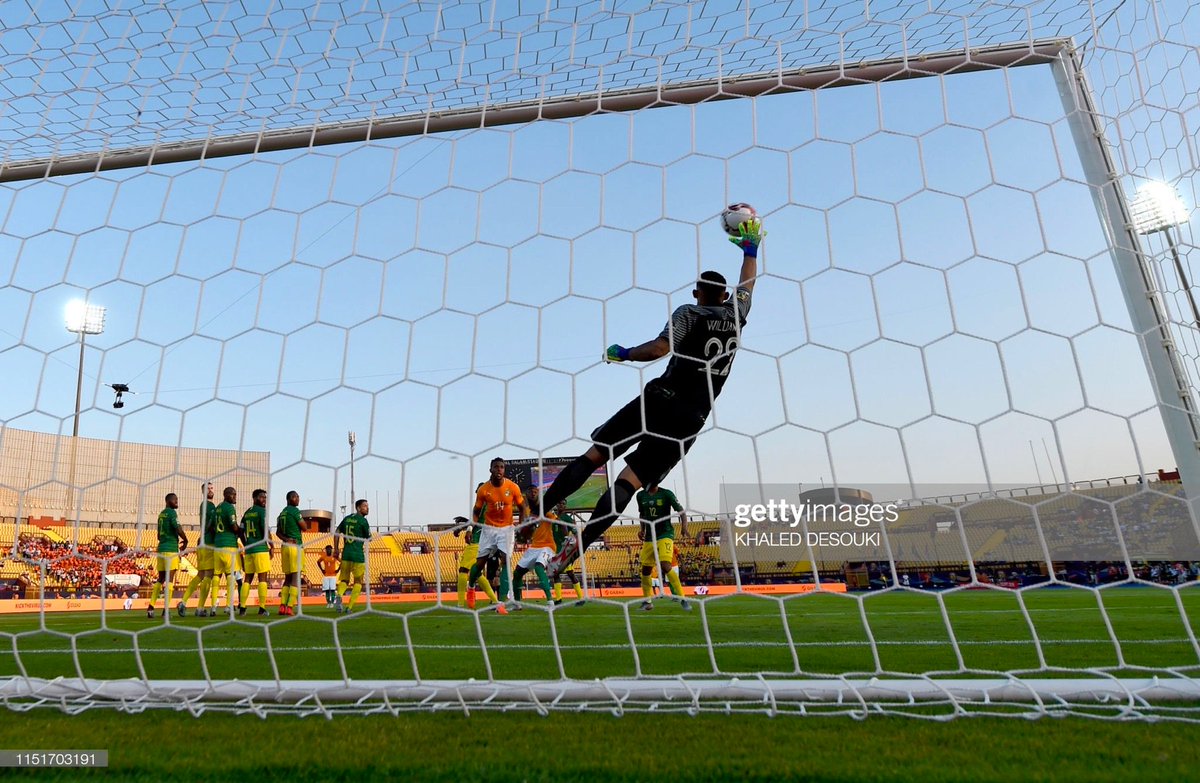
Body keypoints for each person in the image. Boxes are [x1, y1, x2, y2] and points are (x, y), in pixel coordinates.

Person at [544, 218, 762, 577]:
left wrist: (624, 353)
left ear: (697, 293)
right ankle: (575, 550)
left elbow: (660, 349)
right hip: (692, 419)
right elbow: (748, 285)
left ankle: (535, 511)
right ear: (725, 296)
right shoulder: (737, 314)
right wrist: (750, 250)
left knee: (597, 455)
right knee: (627, 482)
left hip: (661, 399)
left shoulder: (688, 312)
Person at [465, 458, 529, 615]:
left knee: (506, 560)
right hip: (489, 529)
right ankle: (471, 586)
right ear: (491, 470)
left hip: (507, 529)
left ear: (504, 470)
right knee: (480, 564)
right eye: (496, 467)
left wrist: (522, 526)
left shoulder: (513, 487)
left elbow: (522, 507)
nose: (499, 469)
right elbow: (476, 512)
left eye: (501, 467)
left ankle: (501, 603)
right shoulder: (484, 490)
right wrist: (469, 529)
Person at [636, 484, 689, 611]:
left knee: (665, 565)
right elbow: (642, 514)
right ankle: (647, 602)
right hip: (650, 537)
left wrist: (684, 527)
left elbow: (681, 512)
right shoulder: (640, 495)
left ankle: (683, 598)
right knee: (645, 570)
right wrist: (642, 529)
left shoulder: (666, 494)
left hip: (665, 534)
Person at [510, 485, 556, 607]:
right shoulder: (526, 513)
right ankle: (517, 604)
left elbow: (557, 521)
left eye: (535, 491)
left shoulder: (544, 508)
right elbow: (525, 535)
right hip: (534, 547)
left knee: (539, 567)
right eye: (530, 492)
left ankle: (550, 602)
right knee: (517, 573)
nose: (533, 493)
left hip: (548, 546)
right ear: (526, 495)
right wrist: (522, 534)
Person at [148, 492, 188, 618]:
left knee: (160, 579)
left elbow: (159, 536)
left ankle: (151, 607)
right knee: (170, 580)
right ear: (168, 501)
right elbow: (178, 528)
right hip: (171, 550)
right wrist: (185, 540)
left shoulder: (161, 514)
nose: (177, 502)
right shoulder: (172, 513)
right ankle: (166, 610)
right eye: (175, 500)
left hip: (161, 549)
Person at [179, 482, 216, 617]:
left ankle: (183, 601)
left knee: (200, 575)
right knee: (209, 576)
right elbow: (211, 525)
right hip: (209, 544)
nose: (210, 490)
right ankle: (200, 608)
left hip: (202, 542)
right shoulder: (210, 506)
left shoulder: (203, 505)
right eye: (208, 489)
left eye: (212, 488)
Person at [239, 488, 274, 616]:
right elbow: (265, 530)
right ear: (254, 498)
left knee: (247, 579)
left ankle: (242, 607)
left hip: (249, 550)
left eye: (265, 497)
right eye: (261, 497)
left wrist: (246, 545)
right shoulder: (262, 511)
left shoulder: (247, 513)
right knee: (262, 579)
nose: (264, 499)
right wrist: (272, 546)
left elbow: (240, 531)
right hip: (260, 549)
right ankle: (262, 608)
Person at [453, 513, 498, 608]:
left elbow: (475, 523)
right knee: (477, 573)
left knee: (463, 570)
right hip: (481, 546)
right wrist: (465, 524)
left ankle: (460, 603)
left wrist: (465, 528)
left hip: (475, 545)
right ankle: (495, 600)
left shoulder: (484, 509)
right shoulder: (491, 515)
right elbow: (477, 523)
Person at [333, 499, 371, 613]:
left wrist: (336, 549)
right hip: (357, 555)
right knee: (358, 582)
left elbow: (336, 532)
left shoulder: (347, 518)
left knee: (344, 579)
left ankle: (339, 595)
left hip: (346, 554)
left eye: (367, 506)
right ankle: (349, 607)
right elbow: (369, 538)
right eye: (365, 506)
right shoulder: (363, 521)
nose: (367, 508)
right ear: (358, 508)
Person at [210, 486, 242, 617]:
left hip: (218, 546)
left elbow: (211, 527)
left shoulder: (217, 508)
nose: (235, 497)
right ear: (226, 495)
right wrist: (241, 531)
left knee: (216, 576)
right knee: (230, 576)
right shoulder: (229, 508)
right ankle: (229, 606)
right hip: (229, 546)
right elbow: (234, 527)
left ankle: (213, 607)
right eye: (233, 494)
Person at [276, 490, 304, 616]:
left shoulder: (282, 513)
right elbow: (304, 527)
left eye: (298, 497)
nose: (298, 499)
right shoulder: (295, 511)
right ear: (289, 499)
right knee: (296, 577)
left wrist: (286, 539)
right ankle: (290, 606)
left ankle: (282, 606)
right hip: (295, 547)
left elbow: (278, 532)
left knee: (287, 578)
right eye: (295, 497)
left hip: (285, 546)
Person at [552, 501, 585, 604]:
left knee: (570, 574)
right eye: (559, 503)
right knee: (555, 574)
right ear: (556, 505)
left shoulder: (567, 519)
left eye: (563, 504)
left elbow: (576, 532)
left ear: (565, 506)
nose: (561, 505)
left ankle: (581, 598)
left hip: (564, 551)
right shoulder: (552, 517)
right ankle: (558, 599)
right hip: (554, 550)